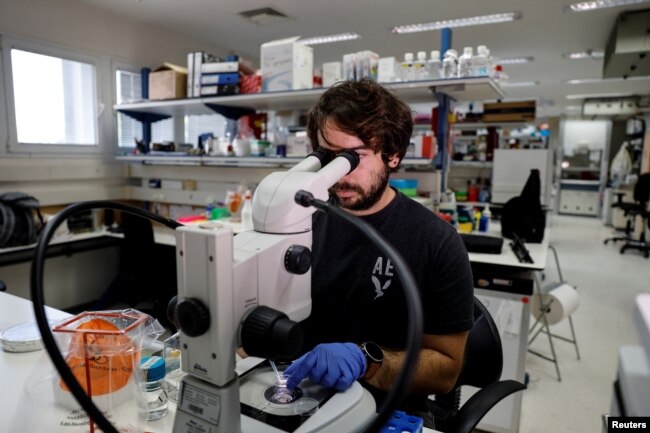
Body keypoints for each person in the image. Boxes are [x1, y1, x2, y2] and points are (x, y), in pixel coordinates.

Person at [284, 78, 475, 426]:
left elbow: (446, 369)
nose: (338, 174)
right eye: (329, 156)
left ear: (394, 154)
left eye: (353, 157)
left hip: (389, 409)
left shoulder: (436, 241)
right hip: (300, 396)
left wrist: (367, 360)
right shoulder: (301, 218)